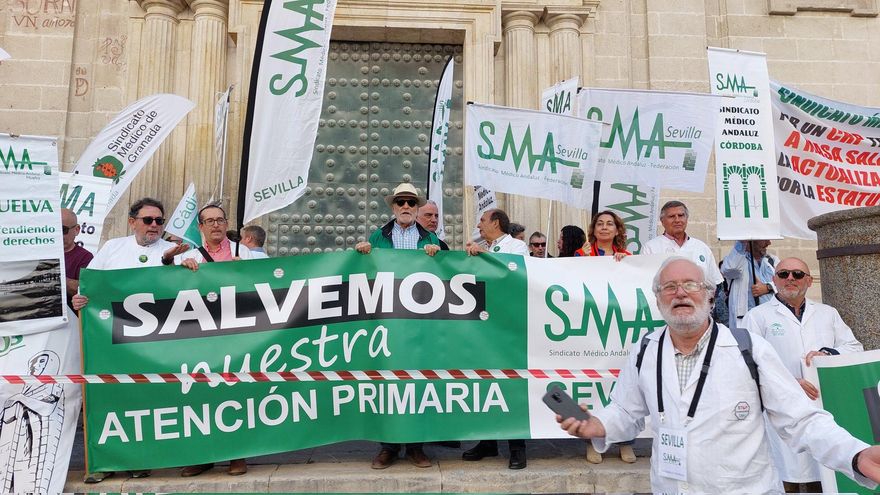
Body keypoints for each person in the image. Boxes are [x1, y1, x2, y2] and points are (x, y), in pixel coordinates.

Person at [557, 257, 880, 493]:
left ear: (710, 296)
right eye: (669, 287)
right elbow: (626, 410)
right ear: (657, 300)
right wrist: (598, 424)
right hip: (670, 487)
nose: (680, 293)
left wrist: (854, 453)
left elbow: (802, 419)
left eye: (690, 285)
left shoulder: (748, 348)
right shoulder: (644, 350)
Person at [71, 197, 189, 483]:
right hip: (111, 339)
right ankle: (103, 463)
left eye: (159, 221)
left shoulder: (177, 252)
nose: (154, 226)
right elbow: (92, 285)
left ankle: (140, 461)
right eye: (148, 220)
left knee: (147, 400)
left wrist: (187, 265)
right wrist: (80, 299)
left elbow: (189, 286)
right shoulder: (113, 248)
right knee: (107, 398)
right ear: (132, 221)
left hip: (155, 345)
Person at [743, 257, 864, 493]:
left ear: (808, 281)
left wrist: (828, 353)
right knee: (787, 473)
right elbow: (747, 364)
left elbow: (854, 348)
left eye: (798, 274)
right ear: (775, 280)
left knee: (824, 474)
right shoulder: (757, 317)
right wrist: (788, 383)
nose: (790, 278)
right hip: (781, 409)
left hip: (823, 404)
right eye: (784, 274)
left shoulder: (827, 314)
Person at [356, 183, 439, 469]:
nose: (406, 207)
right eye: (401, 202)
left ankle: (416, 446)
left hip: (419, 324)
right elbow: (364, 274)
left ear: (417, 208)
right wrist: (361, 254)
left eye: (411, 202)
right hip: (388, 324)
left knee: (418, 381)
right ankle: (388, 447)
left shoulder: (430, 238)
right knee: (387, 382)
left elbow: (446, 275)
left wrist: (438, 255)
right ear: (393, 207)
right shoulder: (378, 237)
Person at [175, 204, 250, 477]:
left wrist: (251, 271)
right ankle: (203, 455)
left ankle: (236, 455)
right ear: (200, 227)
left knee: (236, 394)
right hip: (200, 336)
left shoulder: (246, 253)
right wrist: (180, 270)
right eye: (209, 221)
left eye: (220, 220)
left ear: (227, 223)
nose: (215, 225)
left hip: (237, 335)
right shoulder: (190, 257)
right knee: (200, 394)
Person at [464, 208, 528, 469]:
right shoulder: (479, 246)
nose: (478, 225)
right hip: (484, 325)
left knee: (513, 384)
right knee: (484, 383)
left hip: (510, 324)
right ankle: (488, 441)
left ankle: (517, 447)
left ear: (496, 223)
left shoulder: (518, 246)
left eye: (482, 220)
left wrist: (485, 256)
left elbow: (515, 272)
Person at [581, 210, 634, 464]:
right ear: (593, 229)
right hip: (589, 326)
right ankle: (593, 442)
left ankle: (624, 441)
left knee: (621, 385)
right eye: (600, 224)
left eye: (609, 224)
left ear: (617, 230)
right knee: (591, 386)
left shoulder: (627, 258)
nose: (604, 227)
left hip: (618, 329)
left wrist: (626, 266)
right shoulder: (579, 256)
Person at [641, 201, 723, 287]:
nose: (677, 220)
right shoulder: (650, 248)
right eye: (671, 216)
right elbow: (644, 284)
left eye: (681, 215)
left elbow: (716, 284)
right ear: (662, 221)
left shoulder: (701, 247)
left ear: (686, 219)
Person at [721, 239, 776, 330]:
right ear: (751, 240)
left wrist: (768, 287)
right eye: (764, 240)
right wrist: (742, 243)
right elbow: (730, 270)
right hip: (747, 320)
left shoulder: (772, 260)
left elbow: (784, 284)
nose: (769, 243)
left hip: (771, 318)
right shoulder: (736, 260)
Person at [61, 208, 93, 309]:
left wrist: (56, 278)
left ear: (77, 230)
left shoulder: (85, 257)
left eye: (63, 229)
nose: (58, 234)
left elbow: (86, 290)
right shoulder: (42, 253)